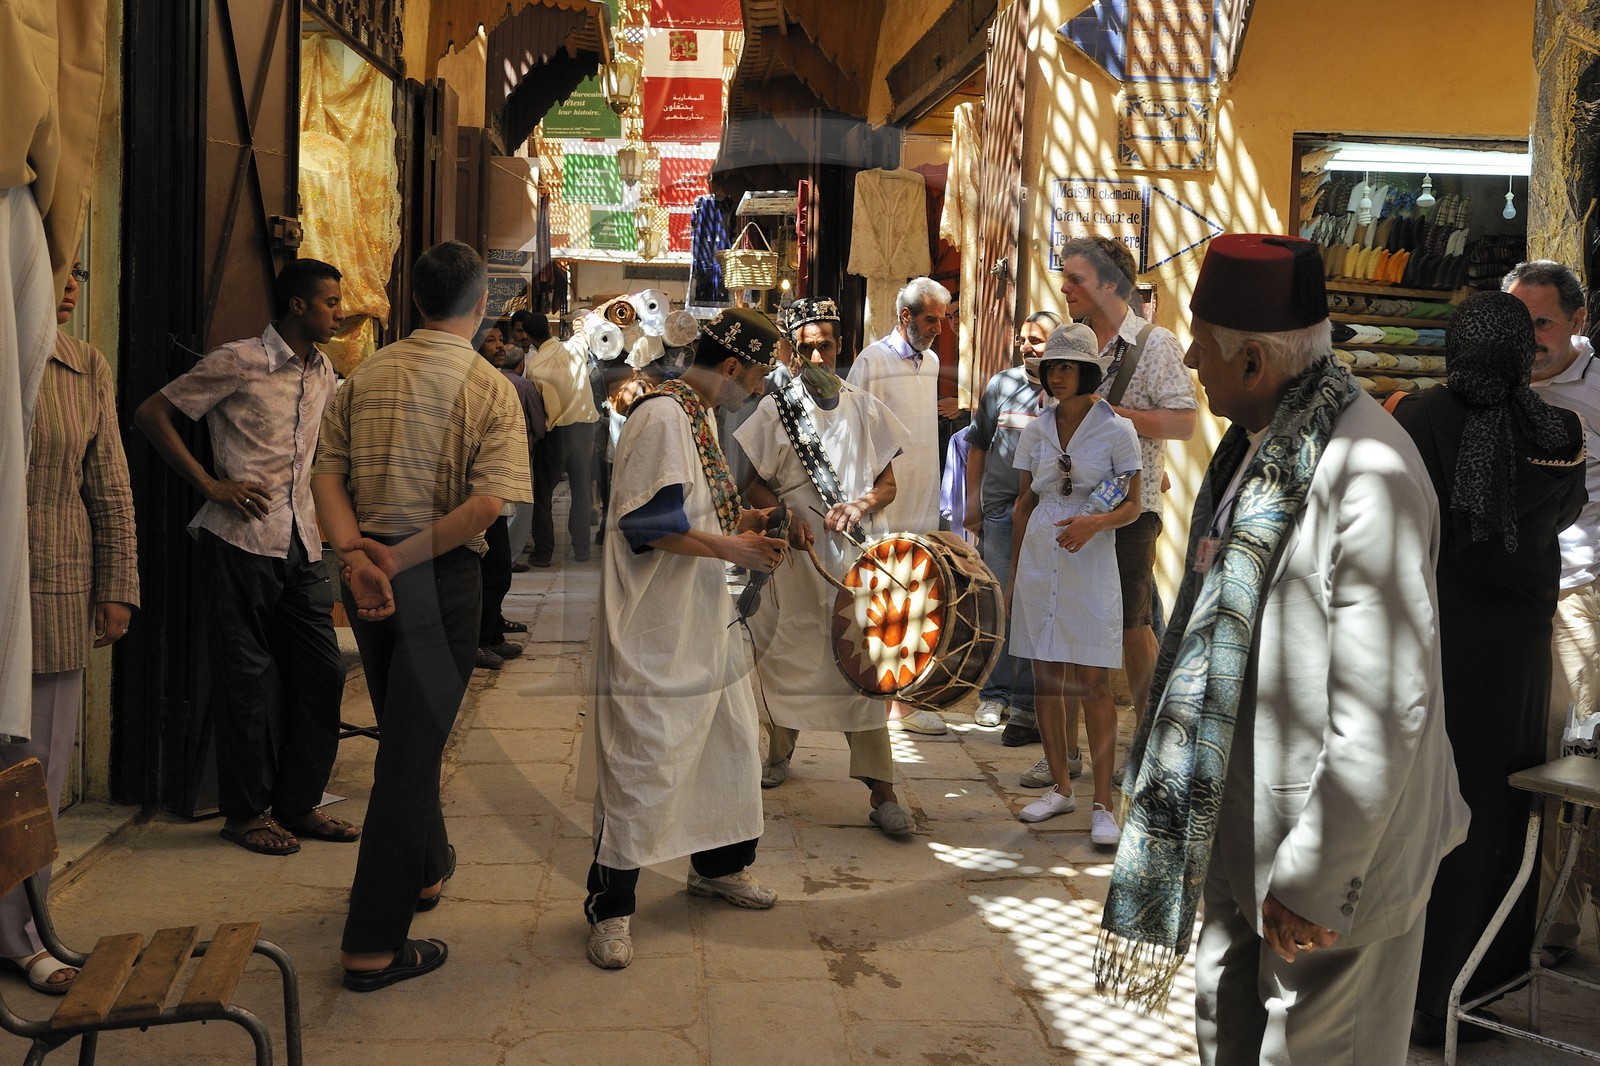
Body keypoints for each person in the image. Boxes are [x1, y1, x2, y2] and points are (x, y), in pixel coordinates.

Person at [1096, 234, 1469, 1065]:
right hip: (1239, 822)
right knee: (1222, 1030)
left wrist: (1314, 876)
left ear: (1256, 362)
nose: (1189, 356)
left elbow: (1387, 704)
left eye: (1202, 341)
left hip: (1333, 855)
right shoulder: (1251, 447)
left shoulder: (1368, 471)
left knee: (1312, 1053)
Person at [312, 240, 532, 991]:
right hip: (435, 583)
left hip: (370, 579)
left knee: (408, 733)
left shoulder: (364, 374)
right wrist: (396, 561)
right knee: (408, 757)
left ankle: (427, 870)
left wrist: (357, 559)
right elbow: (487, 506)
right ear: (481, 306)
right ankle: (372, 945)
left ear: (414, 303)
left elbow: (326, 474)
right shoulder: (489, 385)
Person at [1390, 289, 1585, 1045]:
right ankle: (1479, 986)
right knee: (1500, 808)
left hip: (1439, 645)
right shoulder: (1558, 429)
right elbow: (1562, 515)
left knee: (1430, 811)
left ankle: (1418, 987)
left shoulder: (1420, 418)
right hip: (1516, 658)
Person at [585, 308, 790, 971]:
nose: (758, 390)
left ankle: (719, 867)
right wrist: (735, 545)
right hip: (656, 627)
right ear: (730, 367)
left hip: (702, 617)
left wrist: (754, 521)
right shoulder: (663, 416)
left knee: (727, 743)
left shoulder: (697, 413)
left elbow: (696, 513)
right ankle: (610, 908)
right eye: (756, 376)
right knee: (645, 759)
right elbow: (648, 526)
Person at [135, 258, 356, 857]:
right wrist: (211, 484)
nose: (339, 311)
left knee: (322, 674)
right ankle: (245, 813)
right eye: (330, 302)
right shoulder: (237, 360)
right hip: (241, 542)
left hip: (304, 543)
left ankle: (299, 804)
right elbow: (152, 414)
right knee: (246, 682)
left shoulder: (324, 370)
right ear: (298, 306)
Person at [1, 262, 138, 994]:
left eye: (81, 271)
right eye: (55, 269)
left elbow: (109, 484)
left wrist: (118, 585)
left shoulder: (83, 364)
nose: (72, 285)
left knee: (35, 774)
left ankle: (26, 934)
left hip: (52, 588)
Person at [733, 296, 915, 836]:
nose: (817, 355)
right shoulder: (774, 409)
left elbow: (888, 484)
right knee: (786, 656)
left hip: (853, 561)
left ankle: (882, 793)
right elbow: (753, 483)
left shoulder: (863, 407)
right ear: (790, 351)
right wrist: (784, 513)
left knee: (861, 669)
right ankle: (777, 754)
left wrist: (859, 505)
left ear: (841, 346)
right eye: (806, 347)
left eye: (826, 345)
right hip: (794, 557)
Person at [1053, 237, 1195, 761]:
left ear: (1110, 284)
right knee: (1065, 626)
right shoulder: (1072, 339)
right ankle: (1064, 756)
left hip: (1130, 511)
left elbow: (1184, 422)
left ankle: (1153, 750)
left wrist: (1108, 417)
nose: (1064, 288)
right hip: (1071, 504)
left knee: (1134, 627)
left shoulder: (1156, 345)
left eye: (1076, 279)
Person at [1006, 323, 1141, 843]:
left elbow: (1132, 504)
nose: (1056, 376)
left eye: (1066, 367)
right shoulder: (1035, 430)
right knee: (1045, 677)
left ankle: (1104, 804)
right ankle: (1060, 787)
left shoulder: (1117, 430)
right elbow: (1024, 504)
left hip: (1090, 556)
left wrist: (1094, 523)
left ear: (1087, 372)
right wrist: (1017, 573)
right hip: (1043, 554)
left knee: (1093, 682)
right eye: (1051, 367)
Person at [1511, 259, 1600, 971]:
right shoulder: (1495, 384)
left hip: (1579, 596)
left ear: (1578, 321)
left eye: (1542, 322)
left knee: (1566, 756)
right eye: (1519, 322)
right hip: (1506, 595)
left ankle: (1557, 918)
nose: (1529, 338)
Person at [845, 276, 952, 735]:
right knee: (884, 599)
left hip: (923, 498)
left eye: (942, 320)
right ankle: (886, 700)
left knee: (918, 598)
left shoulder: (930, 362)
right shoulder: (871, 361)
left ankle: (906, 696)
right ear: (905, 316)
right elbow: (850, 428)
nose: (938, 330)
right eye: (931, 319)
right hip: (885, 501)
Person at [964, 310, 1060, 738]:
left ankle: (1024, 704)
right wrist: (971, 504)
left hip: (1047, 515)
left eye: (1037, 340)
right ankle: (993, 695)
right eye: (1022, 339)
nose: (1027, 346)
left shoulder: (1066, 394)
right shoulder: (1001, 385)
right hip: (1001, 513)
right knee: (999, 605)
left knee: (1033, 607)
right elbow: (978, 447)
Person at [473, 321, 544, 669]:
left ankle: (492, 628)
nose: (501, 346)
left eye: (502, 339)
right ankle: (482, 638)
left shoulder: (498, 381)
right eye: (492, 341)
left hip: (497, 489)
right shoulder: (476, 382)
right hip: (480, 490)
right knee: (492, 566)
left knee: (498, 566)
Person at [526, 311, 601, 567]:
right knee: (581, 492)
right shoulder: (576, 347)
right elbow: (583, 328)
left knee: (543, 495)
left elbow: (536, 407)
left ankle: (544, 552)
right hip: (585, 431)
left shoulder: (534, 367)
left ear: (528, 337)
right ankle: (581, 549)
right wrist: (579, 320)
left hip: (556, 434)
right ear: (549, 327)